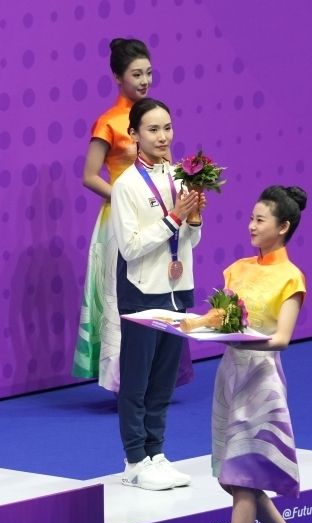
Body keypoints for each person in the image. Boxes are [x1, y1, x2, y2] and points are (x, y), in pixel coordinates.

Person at [73, 38, 194, 392]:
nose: (144, 81)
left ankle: (160, 377)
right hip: (122, 219)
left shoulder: (155, 118)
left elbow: (168, 168)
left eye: (149, 73)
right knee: (124, 295)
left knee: (163, 287)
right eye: (136, 74)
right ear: (117, 77)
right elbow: (89, 176)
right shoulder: (108, 122)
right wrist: (129, 199)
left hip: (163, 215)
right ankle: (123, 382)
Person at [211, 186, 312, 523]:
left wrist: (243, 341)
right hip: (230, 375)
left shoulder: (291, 278)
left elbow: (282, 338)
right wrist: (189, 324)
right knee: (231, 475)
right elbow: (219, 319)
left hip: (262, 380)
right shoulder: (237, 268)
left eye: (260, 220)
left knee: (241, 477)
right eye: (251, 218)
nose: (251, 226)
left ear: (282, 227)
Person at [110, 98, 204, 491]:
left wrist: (193, 220)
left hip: (176, 290)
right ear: (134, 134)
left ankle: (156, 452)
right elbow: (130, 247)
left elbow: (189, 241)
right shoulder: (126, 185)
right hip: (141, 292)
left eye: (167, 127)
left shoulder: (181, 177)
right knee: (137, 381)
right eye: (153, 129)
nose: (163, 136)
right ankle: (135, 460)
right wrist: (174, 218)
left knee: (165, 379)